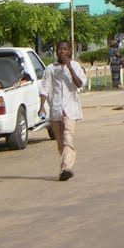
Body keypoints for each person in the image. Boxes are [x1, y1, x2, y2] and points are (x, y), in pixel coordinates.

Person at [39, 40, 85, 181]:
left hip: (70, 109)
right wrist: (41, 107)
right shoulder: (50, 69)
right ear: (56, 51)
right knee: (60, 143)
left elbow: (79, 84)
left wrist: (69, 68)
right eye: (60, 49)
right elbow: (45, 88)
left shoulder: (75, 66)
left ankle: (66, 168)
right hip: (56, 110)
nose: (62, 52)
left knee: (67, 138)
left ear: (69, 51)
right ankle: (66, 166)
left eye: (65, 49)